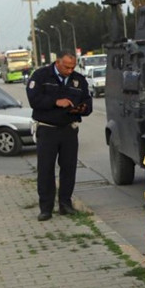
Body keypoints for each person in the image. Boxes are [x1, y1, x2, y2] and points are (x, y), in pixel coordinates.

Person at [26, 49, 92, 221]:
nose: (70, 71)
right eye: (66, 67)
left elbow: (88, 102)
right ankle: (46, 208)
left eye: (72, 67)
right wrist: (56, 102)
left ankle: (65, 204)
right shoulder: (41, 76)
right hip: (47, 129)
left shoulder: (79, 80)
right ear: (58, 63)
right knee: (46, 169)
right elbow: (34, 100)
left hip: (69, 129)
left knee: (69, 168)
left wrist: (83, 108)